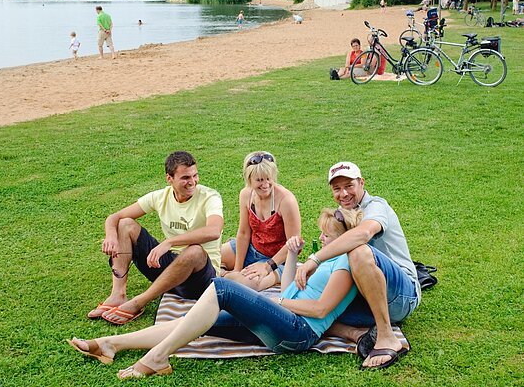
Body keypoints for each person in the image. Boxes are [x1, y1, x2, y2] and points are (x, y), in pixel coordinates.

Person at [67, 207, 361, 379]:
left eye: (328, 235)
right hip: (283, 320)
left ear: (343, 239)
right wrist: (293, 258)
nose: (321, 238)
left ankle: (158, 357)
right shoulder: (324, 259)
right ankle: (110, 344)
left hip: (298, 332)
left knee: (222, 288)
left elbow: (321, 309)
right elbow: (287, 290)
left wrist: (277, 302)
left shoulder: (345, 263)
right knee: (197, 321)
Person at [295, 162, 420, 370]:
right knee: (304, 304)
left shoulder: (376, 206)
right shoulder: (341, 213)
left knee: (358, 250)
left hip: (400, 296)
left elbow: (363, 234)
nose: (343, 193)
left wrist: (314, 259)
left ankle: (387, 336)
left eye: (349, 186)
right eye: (337, 189)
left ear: (361, 183)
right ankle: (358, 335)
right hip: (363, 295)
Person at [87, 151, 224, 325]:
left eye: (195, 175)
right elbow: (115, 217)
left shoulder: (209, 197)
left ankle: (138, 302)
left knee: (195, 250)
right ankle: (118, 295)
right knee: (125, 224)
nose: (192, 182)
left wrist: (169, 242)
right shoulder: (160, 197)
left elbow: (214, 231)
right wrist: (111, 236)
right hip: (170, 269)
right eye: (185, 178)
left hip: (201, 279)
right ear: (169, 178)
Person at [220, 151, 301, 291]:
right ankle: (228, 275)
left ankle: (221, 276)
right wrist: (237, 269)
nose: (265, 184)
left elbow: (294, 243)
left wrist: (267, 266)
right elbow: (244, 233)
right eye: (259, 180)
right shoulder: (246, 195)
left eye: (268, 178)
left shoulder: (286, 201)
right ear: (249, 179)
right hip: (252, 249)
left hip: (277, 260)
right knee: (208, 257)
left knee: (246, 285)